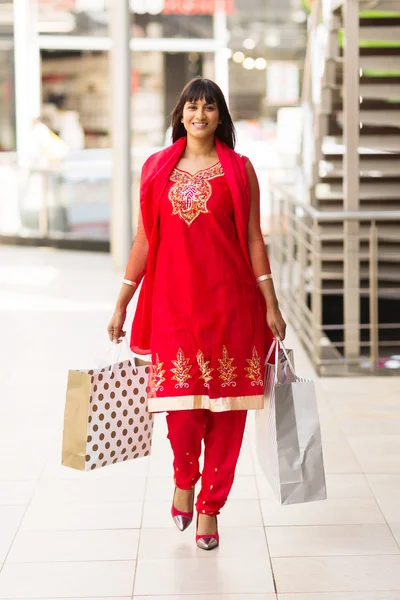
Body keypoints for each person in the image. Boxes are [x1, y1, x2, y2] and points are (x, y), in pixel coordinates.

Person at [107, 77, 286, 551]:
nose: (199, 115)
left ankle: (210, 508)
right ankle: (184, 478)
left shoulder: (240, 170)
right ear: (180, 114)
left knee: (228, 416)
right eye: (191, 107)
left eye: (209, 107)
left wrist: (271, 302)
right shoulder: (156, 170)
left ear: (221, 117)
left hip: (232, 306)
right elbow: (145, 238)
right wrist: (123, 300)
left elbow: (253, 240)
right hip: (173, 307)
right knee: (183, 412)